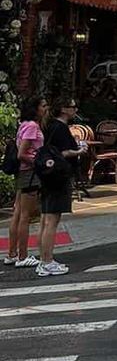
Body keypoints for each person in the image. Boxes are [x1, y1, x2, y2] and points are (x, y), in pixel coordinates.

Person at [36, 97, 87, 277]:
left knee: (45, 218)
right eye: (73, 106)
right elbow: (64, 152)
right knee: (52, 220)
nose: (75, 109)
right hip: (59, 176)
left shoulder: (49, 126)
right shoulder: (61, 128)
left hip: (48, 176)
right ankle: (47, 261)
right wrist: (79, 151)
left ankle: (44, 259)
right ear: (64, 109)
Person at [3, 96, 48, 269]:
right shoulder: (32, 126)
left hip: (23, 173)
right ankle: (22, 255)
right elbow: (22, 153)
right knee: (25, 216)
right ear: (35, 109)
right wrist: (38, 161)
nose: (46, 109)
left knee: (18, 213)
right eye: (43, 106)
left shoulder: (23, 125)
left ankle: (12, 253)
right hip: (29, 173)